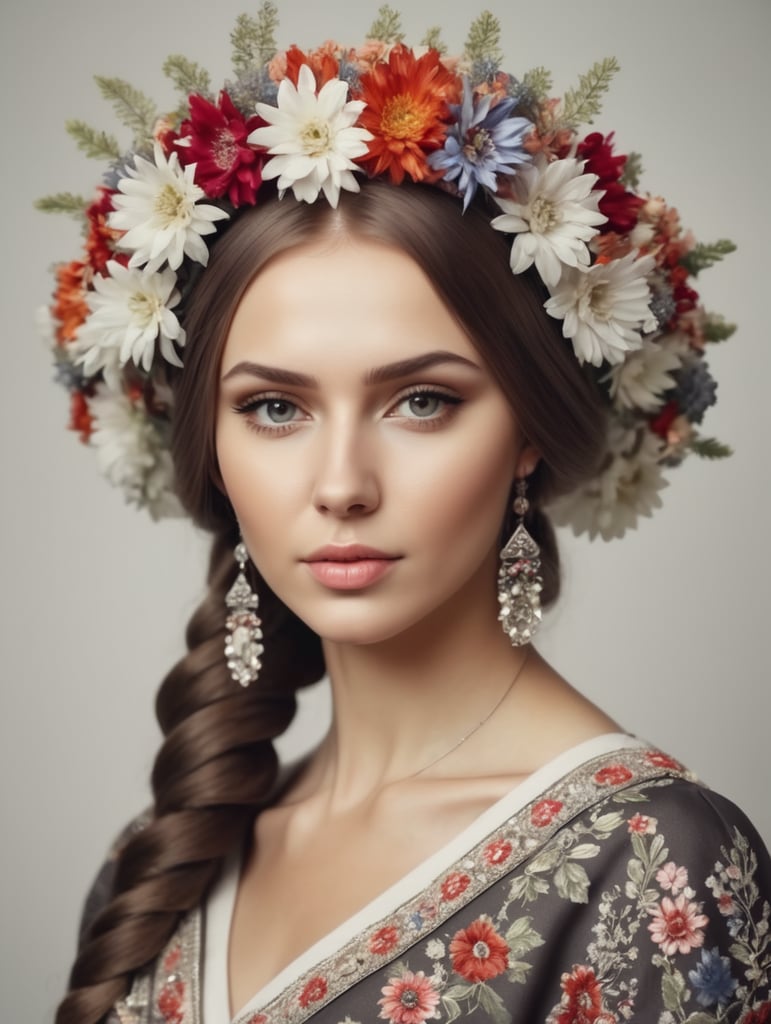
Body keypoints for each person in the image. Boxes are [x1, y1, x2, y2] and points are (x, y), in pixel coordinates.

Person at [39, 7, 770, 1023]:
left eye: (421, 400)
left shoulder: (650, 862)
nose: (342, 483)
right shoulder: (156, 866)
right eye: (275, 408)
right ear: (209, 441)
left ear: (529, 427)